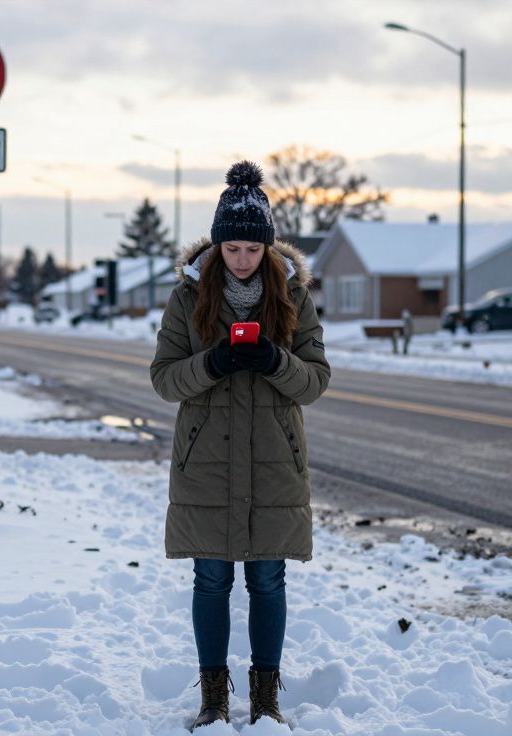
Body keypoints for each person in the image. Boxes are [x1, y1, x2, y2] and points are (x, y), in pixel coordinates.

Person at [149, 160, 331, 730]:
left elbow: (317, 379)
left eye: (254, 248)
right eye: (233, 248)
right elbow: (164, 378)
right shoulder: (187, 299)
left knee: (267, 580)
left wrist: (276, 361)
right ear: (218, 245)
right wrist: (215, 362)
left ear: (268, 247)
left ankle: (266, 697)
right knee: (211, 579)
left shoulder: (296, 298)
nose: (243, 258)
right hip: (206, 464)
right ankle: (213, 698)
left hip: (275, 463)